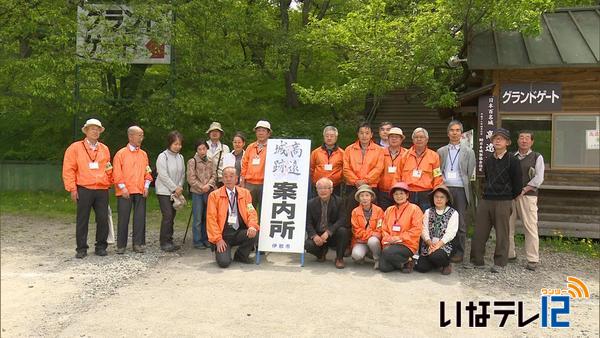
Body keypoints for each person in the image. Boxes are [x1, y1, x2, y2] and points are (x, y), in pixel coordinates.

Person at [469, 128, 522, 273]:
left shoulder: (513, 161)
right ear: (492, 141)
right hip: (486, 200)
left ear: (508, 142)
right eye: (495, 138)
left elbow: (518, 184)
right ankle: (476, 260)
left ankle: (499, 262)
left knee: (502, 233)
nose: (498, 140)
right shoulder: (488, 160)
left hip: (504, 201)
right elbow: (486, 178)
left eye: (501, 138)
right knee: (480, 231)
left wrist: (509, 197)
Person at [62, 118, 112, 258]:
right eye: (92, 129)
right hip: (83, 188)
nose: (95, 131)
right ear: (86, 131)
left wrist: (109, 181)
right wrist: (72, 188)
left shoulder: (104, 149)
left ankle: (101, 246)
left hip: (102, 189)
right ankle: (81, 249)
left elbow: (108, 168)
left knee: (103, 219)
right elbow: (69, 169)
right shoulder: (75, 148)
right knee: (82, 219)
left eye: (97, 129)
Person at [437, 120, 476, 263]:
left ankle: (459, 252)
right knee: (443, 220)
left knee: (460, 222)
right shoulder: (441, 151)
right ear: (448, 133)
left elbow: (469, 171)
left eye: (457, 130)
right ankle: (443, 250)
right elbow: (437, 171)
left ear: (461, 133)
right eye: (452, 130)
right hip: (444, 188)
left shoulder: (468, 151)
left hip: (460, 189)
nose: (455, 133)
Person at [206, 167, 260, 268]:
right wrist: (218, 239)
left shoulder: (245, 193)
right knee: (224, 263)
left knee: (255, 232)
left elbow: (251, 211)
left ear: (236, 179)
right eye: (225, 177)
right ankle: (223, 252)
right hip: (223, 235)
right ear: (222, 179)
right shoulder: (214, 196)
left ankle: (241, 256)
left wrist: (252, 226)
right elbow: (211, 219)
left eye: (231, 176)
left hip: (239, 231)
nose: (228, 179)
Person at [113, 126, 153, 254]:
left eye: (142, 135)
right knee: (123, 218)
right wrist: (123, 188)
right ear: (130, 136)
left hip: (140, 190)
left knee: (140, 218)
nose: (141, 138)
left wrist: (146, 186)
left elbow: (148, 171)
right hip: (125, 192)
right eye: (139, 135)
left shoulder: (144, 154)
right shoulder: (120, 154)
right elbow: (117, 173)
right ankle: (121, 245)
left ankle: (138, 243)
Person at [508, 130, 545, 271]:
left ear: (532, 142)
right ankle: (509, 254)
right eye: (521, 138)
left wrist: (523, 190)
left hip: (528, 196)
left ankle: (532, 259)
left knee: (530, 227)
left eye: (527, 138)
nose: (524, 140)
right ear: (517, 140)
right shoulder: (511, 156)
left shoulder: (537, 157)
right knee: (508, 226)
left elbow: (539, 178)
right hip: (511, 197)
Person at [305, 177, 350, 269]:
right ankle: (321, 254)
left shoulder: (339, 201)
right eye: (320, 188)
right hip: (319, 234)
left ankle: (339, 258)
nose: (323, 191)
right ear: (316, 190)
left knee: (343, 231)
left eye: (326, 188)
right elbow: (308, 223)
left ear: (331, 190)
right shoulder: (310, 203)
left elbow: (342, 219)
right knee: (308, 244)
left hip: (332, 234)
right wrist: (314, 235)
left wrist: (329, 232)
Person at [379, 182, 424, 273]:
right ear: (393, 196)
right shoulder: (389, 210)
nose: (399, 196)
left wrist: (399, 238)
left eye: (401, 193)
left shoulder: (415, 209)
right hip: (390, 243)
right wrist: (389, 238)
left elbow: (416, 230)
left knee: (387, 252)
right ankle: (405, 263)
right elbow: (383, 228)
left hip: (407, 244)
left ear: (407, 195)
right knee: (384, 268)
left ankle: (406, 260)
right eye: (396, 194)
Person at [343, 122, 384, 219]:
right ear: (357, 134)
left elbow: (379, 168)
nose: (364, 136)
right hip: (353, 186)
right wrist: (356, 181)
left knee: (372, 215)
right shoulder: (349, 149)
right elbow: (346, 168)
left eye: (367, 133)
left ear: (371, 135)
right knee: (351, 213)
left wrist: (366, 181)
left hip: (371, 186)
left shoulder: (379, 150)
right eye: (361, 133)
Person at [415, 185, 458, 275]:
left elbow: (451, 233)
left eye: (442, 197)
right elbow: (423, 229)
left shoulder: (453, 213)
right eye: (436, 197)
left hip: (444, 246)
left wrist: (438, 245)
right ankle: (436, 263)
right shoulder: (428, 211)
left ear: (447, 199)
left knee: (436, 255)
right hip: (429, 245)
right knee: (421, 267)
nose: (439, 199)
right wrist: (430, 243)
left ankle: (446, 264)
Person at [155, 131, 186, 252]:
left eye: (179, 144)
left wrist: (179, 187)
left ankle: (170, 239)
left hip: (176, 191)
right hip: (164, 191)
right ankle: (164, 242)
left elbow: (182, 174)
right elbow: (163, 175)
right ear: (169, 143)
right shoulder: (163, 156)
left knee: (172, 215)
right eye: (175, 144)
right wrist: (174, 188)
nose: (178, 146)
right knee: (167, 215)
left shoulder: (181, 157)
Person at [400, 127, 443, 211]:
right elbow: (398, 175)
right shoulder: (405, 155)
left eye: (421, 137)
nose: (419, 139)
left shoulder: (434, 156)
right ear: (412, 140)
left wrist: (437, 192)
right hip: (408, 193)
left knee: (425, 218)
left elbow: (437, 176)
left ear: (426, 140)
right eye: (416, 137)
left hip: (426, 193)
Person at [187, 139, 216, 249]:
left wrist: (208, 185)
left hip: (208, 192)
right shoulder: (192, 161)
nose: (202, 151)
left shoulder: (210, 161)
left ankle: (206, 238)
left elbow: (214, 175)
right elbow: (191, 178)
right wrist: (201, 187)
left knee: (207, 217)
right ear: (196, 150)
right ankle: (197, 240)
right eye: (199, 149)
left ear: (207, 149)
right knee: (198, 217)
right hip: (197, 193)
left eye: (204, 148)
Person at [240, 120, 271, 216]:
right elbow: (244, 164)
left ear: (268, 133)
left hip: (265, 184)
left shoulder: (272, 147)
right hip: (250, 184)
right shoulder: (250, 147)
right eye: (258, 130)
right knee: (249, 209)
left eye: (263, 130)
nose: (260, 133)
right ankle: (250, 229)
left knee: (264, 210)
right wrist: (242, 180)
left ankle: (263, 230)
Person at [350, 185, 384, 269]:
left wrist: (370, 236)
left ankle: (377, 259)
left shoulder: (379, 210)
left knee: (373, 241)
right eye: (362, 196)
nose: (364, 198)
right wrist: (372, 234)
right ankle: (366, 254)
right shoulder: (355, 212)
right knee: (356, 256)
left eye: (367, 195)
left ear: (371, 197)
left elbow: (380, 230)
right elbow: (356, 231)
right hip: (360, 241)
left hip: (373, 241)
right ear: (359, 198)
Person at [377, 127, 407, 211]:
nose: (394, 139)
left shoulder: (406, 154)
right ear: (388, 139)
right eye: (391, 137)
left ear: (401, 139)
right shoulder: (380, 152)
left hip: (399, 192)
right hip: (382, 191)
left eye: (397, 137)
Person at [310, 126, 345, 197]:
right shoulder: (315, 152)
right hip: (319, 186)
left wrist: (340, 179)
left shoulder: (342, 153)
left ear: (336, 137)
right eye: (327, 136)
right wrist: (314, 181)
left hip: (335, 186)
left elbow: (345, 169)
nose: (329, 138)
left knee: (335, 206)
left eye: (332, 136)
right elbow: (311, 168)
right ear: (323, 137)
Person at [205, 122, 230, 188]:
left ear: (220, 134)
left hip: (221, 180)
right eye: (212, 131)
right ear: (209, 133)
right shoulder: (202, 146)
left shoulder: (225, 148)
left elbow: (228, 166)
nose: (214, 133)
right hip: (205, 180)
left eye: (217, 131)